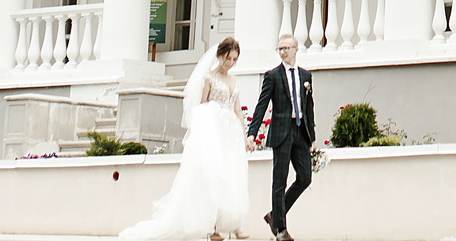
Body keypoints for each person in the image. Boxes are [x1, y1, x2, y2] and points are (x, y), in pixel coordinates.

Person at [117, 36, 256, 241]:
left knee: (232, 176)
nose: (231, 63)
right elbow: (201, 106)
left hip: (231, 133)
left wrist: (245, 136)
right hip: (214, 131)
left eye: (234, 59)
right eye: (228, 58)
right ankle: (214, 228)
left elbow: (237, 109)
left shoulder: (234, 80)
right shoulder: (209, 78)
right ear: (220, 56)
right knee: (214, 176)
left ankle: (235, 226)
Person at [243, 32, 316, 241]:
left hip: (300, 132)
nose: (283, 52)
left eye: (286, 48)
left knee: (305, 178)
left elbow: (309, 107)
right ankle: (281, 230)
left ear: (295, 50)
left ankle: (275, 215)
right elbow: (262, 105)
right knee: (279, 181)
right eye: (280, 49)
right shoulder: (273, 75)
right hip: (282, 133)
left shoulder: (305, 77)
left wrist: (312, 136)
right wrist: (252, 133)